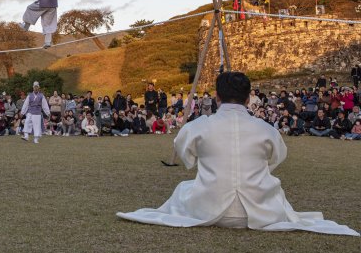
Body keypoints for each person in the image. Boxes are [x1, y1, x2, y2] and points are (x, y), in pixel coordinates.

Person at [117, 72, 359, 236]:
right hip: (262, 212)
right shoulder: (266, 129)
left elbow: (185, 154)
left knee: (183, 187)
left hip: (207, 209)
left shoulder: (198, 126)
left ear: (217, 96)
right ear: (247, 97)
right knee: (276, 192)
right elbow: (277, 158)